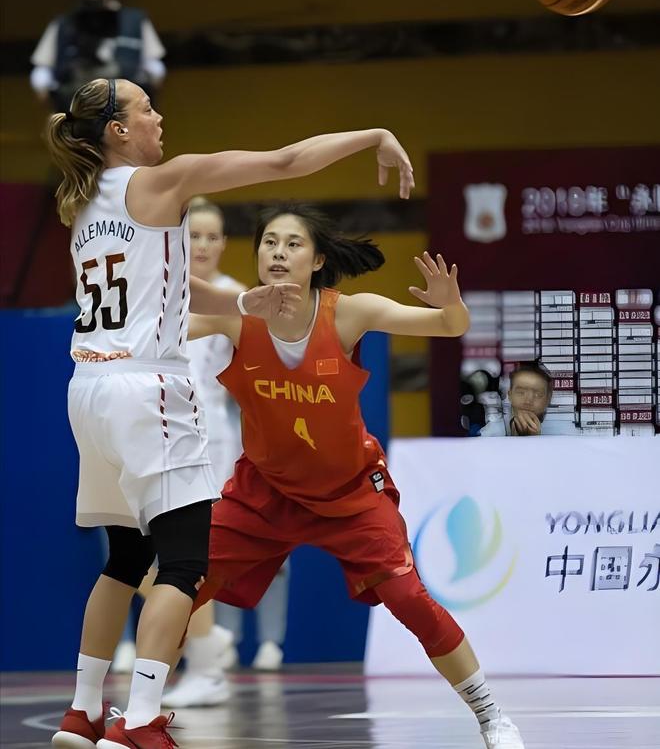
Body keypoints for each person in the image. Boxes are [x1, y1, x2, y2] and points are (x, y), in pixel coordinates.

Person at [44, 77, 414, 749]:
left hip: (88, 387)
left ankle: (82, 712)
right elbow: (284, 162)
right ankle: (141, 721)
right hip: (147, 389)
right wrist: (373, 135)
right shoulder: (164, 181)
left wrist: (242, 305)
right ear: (118, 130)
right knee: (184, 565)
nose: (159, 116)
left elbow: (163, 283)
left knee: (123, 559)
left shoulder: (82, 200)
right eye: (146, 108)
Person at [185, 203, 525, 749]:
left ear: (318, 260)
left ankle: (493, 717)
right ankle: (135, 714)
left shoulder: (348, 313)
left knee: (410, 599)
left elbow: (450, 326)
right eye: (269, 242)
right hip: (265, 492)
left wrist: (450, 304)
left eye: (293, 243)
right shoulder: (237, 316)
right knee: (177, 581)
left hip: (350, 494)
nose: (278, 252)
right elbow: (162, 328)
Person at [162, 200, 289, 709]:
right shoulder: (159, 287)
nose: (203, 245)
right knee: (152, 552)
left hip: (211, 432)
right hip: (155, 425)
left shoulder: (239, 298)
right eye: (193, 235)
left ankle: (212, 657)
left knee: (206, 548)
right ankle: (203, 644)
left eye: (212, 236)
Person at [31, 0, 166, 112]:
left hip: (125, 112)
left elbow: (154, 68)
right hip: (77, 112)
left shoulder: (134, 21)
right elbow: (42, 71)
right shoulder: (63, 24)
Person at [479, 360, 580, 436]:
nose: (528, 401)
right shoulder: (489, 433)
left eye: (538, 394)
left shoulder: (565, 434)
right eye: (521, 393)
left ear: (548, 399)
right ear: (510, 395)